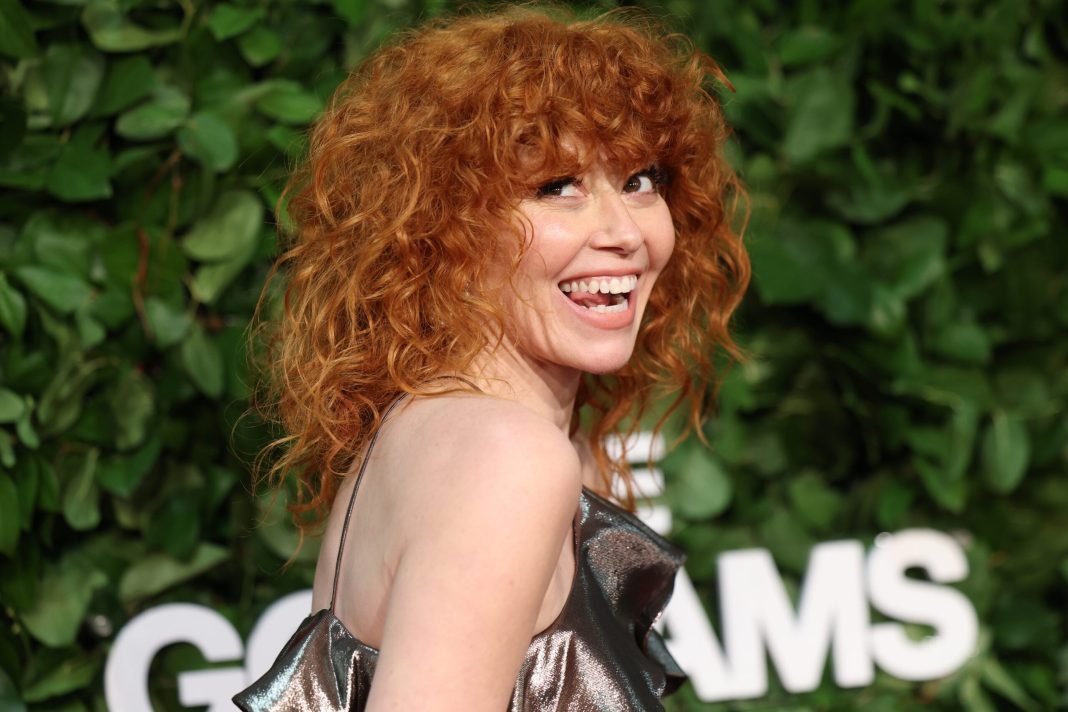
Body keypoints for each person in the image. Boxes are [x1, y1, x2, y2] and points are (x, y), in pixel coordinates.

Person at [234, 5, 748, 711]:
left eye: (639, 179)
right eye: (555, 187)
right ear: (443, 226)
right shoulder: (506, 460)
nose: (624, 231)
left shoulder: (430, 430)